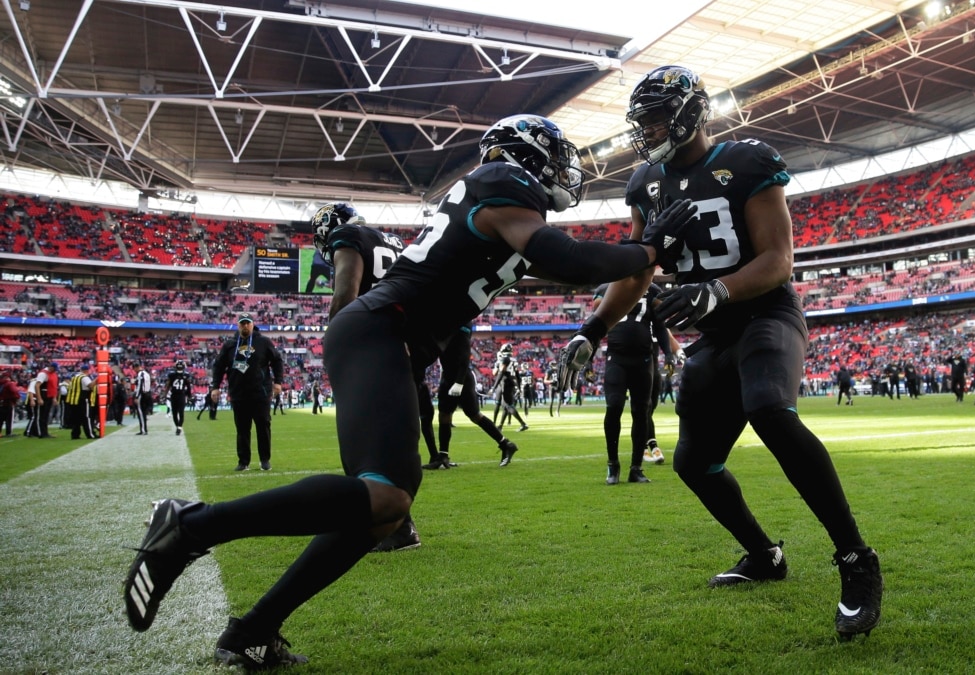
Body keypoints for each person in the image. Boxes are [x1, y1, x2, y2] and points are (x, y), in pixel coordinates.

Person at [122, 113, 692, 668]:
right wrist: (649, 249)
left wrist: (630, 276)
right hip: (380, 330)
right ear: (527, 156)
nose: (563, 170)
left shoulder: (500, 198)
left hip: (387, 338)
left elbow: (566, 263)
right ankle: (191, 526)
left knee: (381, 512)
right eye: (555, 156)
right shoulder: (502, 185)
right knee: (387, 496)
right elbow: (564, 258)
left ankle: (252, 630)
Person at [561, 67, 881, 641]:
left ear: (691, 112)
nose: (650, 128)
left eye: (660, 115)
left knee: (768, 407)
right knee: (691, 463)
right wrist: (593, 328)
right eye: (645, 119)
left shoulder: (747, 161)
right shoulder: (646, 182)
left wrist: (715, 289)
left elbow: (779, 260)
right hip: (713, 334)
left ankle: (856, 559)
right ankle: (764, 555)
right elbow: (639, 268)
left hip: (764, 315)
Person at [311, 200, 418, 553]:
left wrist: (336, 340)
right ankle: (397, 527)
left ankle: (387, 526)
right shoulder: (394, 241)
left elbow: (345, 294)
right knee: (390, 441)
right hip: (400, 345)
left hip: (367, 346)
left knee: (359, 444)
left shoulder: (348, 236)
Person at [591, 282, 675, 484]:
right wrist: (588, 361)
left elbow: (661, 325)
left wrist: (669, 355)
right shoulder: (606, 288)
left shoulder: (653, 290)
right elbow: (596, 323)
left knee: (642, 412)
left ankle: (636, 468)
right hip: (616, 358)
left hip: (644, 360)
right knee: (614, 406)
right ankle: (613, 465)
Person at [426, 326, 519, 469]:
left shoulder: (461, 328)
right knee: (444, 415)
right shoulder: (444, 330)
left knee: (474, 415)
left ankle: (506, 444)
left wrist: (458, 383)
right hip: (447, 375)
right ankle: (443, 456)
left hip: (460, 377)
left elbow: (464, 358)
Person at [209, 314, 284, 471]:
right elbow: (219, 366)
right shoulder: (229, 345)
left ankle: (265, 460)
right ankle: (243, 462)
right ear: (238, 325)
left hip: (261, 392)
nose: (245, 326)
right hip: (238, 393)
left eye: (247, 323)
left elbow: (277, 360)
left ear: (252, 324)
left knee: (263, 427)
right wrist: (215, 386)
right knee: (242, 429)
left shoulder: (263, 342)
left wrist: (278, 382)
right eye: (242, 323)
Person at [490, 343, 528, 433]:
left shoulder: (504, 359)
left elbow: (501, 373)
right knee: (506, 406)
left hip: (505, 383)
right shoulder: (514, 360)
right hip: (511, 382)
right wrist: (518, 388)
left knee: (507, 406)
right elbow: (518, 375)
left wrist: (494, 387)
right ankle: (500, 426)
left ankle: (523, 424)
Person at [64, 362, 97, 439]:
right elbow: (90, 386)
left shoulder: (74, 377)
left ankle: (75, 434)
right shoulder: (84, 377)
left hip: (74, 400)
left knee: (76, 418)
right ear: (87, 371)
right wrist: (97, 380)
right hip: (83, 398)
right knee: (87, 417)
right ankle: (90, 434)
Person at [25, 362, 58, 438]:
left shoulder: (52, 374)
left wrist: (54, 398)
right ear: (51, 367)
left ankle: (44, 432)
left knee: (45, 416)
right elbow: (37, 386)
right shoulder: (43, 374)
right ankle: (40, 432)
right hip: (44, 395)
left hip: (49, 395)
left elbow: (53, 387)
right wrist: (39, 398)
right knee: (41, 416)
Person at [166, 360, 193, 436]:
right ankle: (179, 427)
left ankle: (179, 427)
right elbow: (188, 387)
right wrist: (189, 396)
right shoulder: (185, 375)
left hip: (176, 395)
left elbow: (168, 386)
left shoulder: (172, 375)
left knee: (177, 413)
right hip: (180, 395)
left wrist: (165, 394)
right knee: (179, 413)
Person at [131, 362, 152, 435]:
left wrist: (136, 396)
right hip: (148, 393)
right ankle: (144, 429)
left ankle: (143, 429)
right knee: (144, 413)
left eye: (134, 369)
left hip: (142, 395)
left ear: (136, 367)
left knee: (141, 413)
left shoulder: (140, 374)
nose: (134, 371)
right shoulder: (146, 373)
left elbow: (139, 385)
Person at [0, 371, 19, 436]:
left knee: (0, 419)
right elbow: (14, 391)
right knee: (9, 419)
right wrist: (16, 399)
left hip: (1, 403)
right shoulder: (9, 384)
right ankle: (9, 432)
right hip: (8, 403)